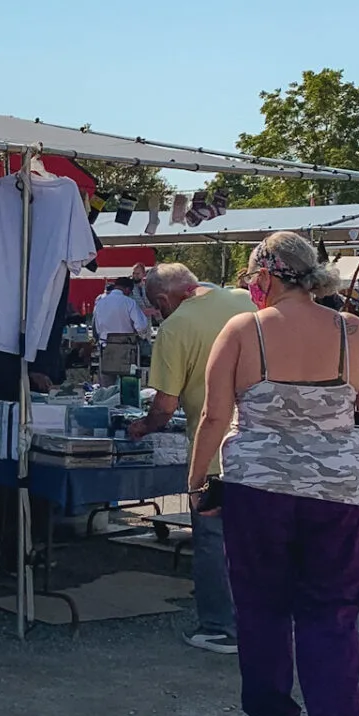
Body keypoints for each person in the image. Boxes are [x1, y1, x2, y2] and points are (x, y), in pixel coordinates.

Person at [188, 232, 359, 716]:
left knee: (261, 604)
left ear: (268, 273)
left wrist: (196, 481)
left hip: (258, 489)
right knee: (332, 607)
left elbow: (215, 417)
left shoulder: (243, 331)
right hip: (339, 491)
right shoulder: (352, 333)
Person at [128, 264, 251, 652]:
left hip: (213, 454)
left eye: (155, 306)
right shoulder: (246, 300)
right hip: (263, 450)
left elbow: (164, 406)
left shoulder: (176, 327)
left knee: (214, 542)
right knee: (256, 543)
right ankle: (261, 622)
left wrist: (142, 427)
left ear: (164, 299)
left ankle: (220, 627)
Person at [91, 276, 150, 378]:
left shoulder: (100, 303)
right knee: (128, 386)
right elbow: (141, 326)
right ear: (127, 289)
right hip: (127, 351)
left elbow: (96, 328)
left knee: (107, 389)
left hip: (106, 350)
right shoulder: (129, 302)